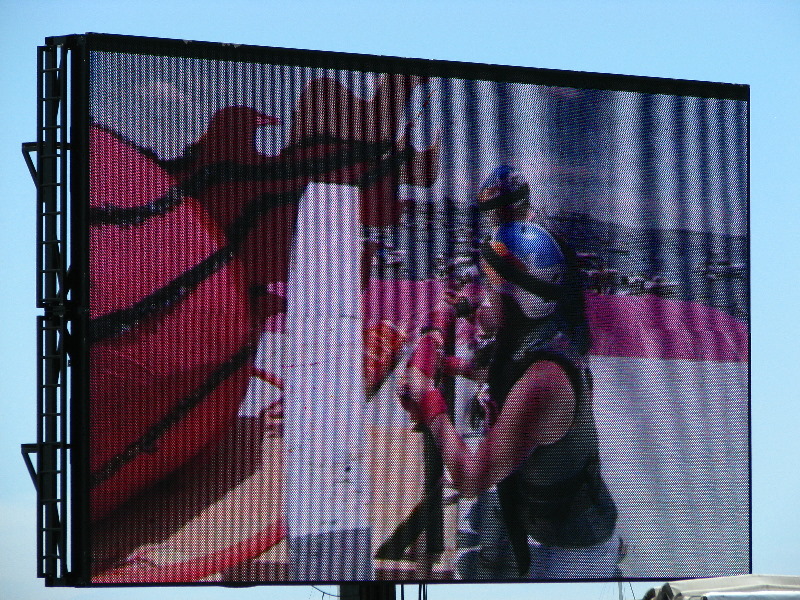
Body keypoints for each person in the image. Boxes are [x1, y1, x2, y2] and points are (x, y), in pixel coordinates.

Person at [400, 219, 619, 580]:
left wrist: (429, 403)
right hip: (540, 521)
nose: (478, 293)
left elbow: (470, 477)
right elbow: (488, 371)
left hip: (571, 549)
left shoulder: (543, 381)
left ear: (520, 300)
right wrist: (447, 360)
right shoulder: (530, 340)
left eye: (488, 286)